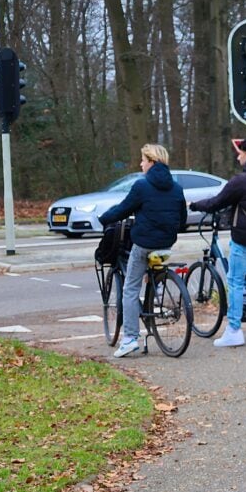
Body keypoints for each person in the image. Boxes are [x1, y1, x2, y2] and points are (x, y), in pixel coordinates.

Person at [189, 136, 246, 348]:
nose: (238, 157)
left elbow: (217, 202)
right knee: (245, 273)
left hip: (245, 235)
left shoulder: (241, 180)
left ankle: (234, 330)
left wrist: (195, 206)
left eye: (239, 153)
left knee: (234, 281)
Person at [98, 144, 186, 358]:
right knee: (150, 270)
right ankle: (154, 294)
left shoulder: (141, 186)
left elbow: (122, 209)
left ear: (152, 162)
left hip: (144, 243)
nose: (141, 164)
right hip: (167, 243)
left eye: (143, 160)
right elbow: (182, 220)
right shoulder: (177, 188)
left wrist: (104, 218)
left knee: (129, 289)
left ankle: (129, 339)